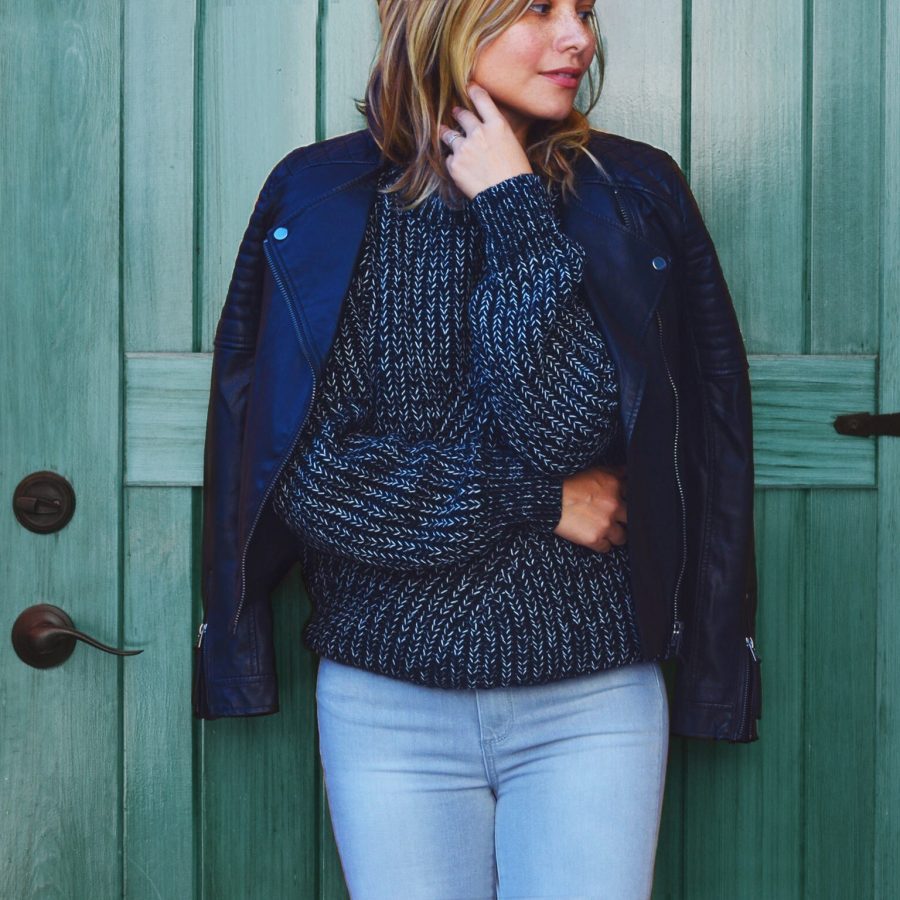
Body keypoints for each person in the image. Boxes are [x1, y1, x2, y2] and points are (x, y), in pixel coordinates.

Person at [192, 1, 762, 897]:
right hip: (385, 703)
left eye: (585, 11)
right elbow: (307, 479)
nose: (578, 38)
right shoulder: (318, 197)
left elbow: (569, 429)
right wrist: (535, 498)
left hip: (592, 701)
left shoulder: (632, 191)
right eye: (540, 9)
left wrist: (512, 206)